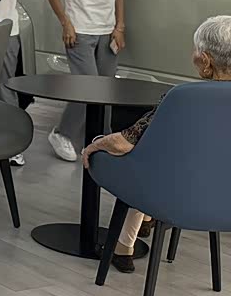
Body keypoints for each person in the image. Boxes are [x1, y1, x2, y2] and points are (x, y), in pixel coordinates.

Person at [82, 15, 231, 272]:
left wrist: (93, 146)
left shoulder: (183, 98)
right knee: (158, 164)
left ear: (206, 61)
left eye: (196, 50)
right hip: (221, 196)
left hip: (170, 192)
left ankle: (127, 243)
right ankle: (139, 227)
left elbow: (123, 144)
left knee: (146, 164)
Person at [45, 0, 129, 161]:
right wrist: (66, 24)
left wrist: (120, 26)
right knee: (87, 88)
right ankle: (61, 133)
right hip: (80, 32)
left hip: (107, 31)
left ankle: (102, 138)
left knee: (106, 88)